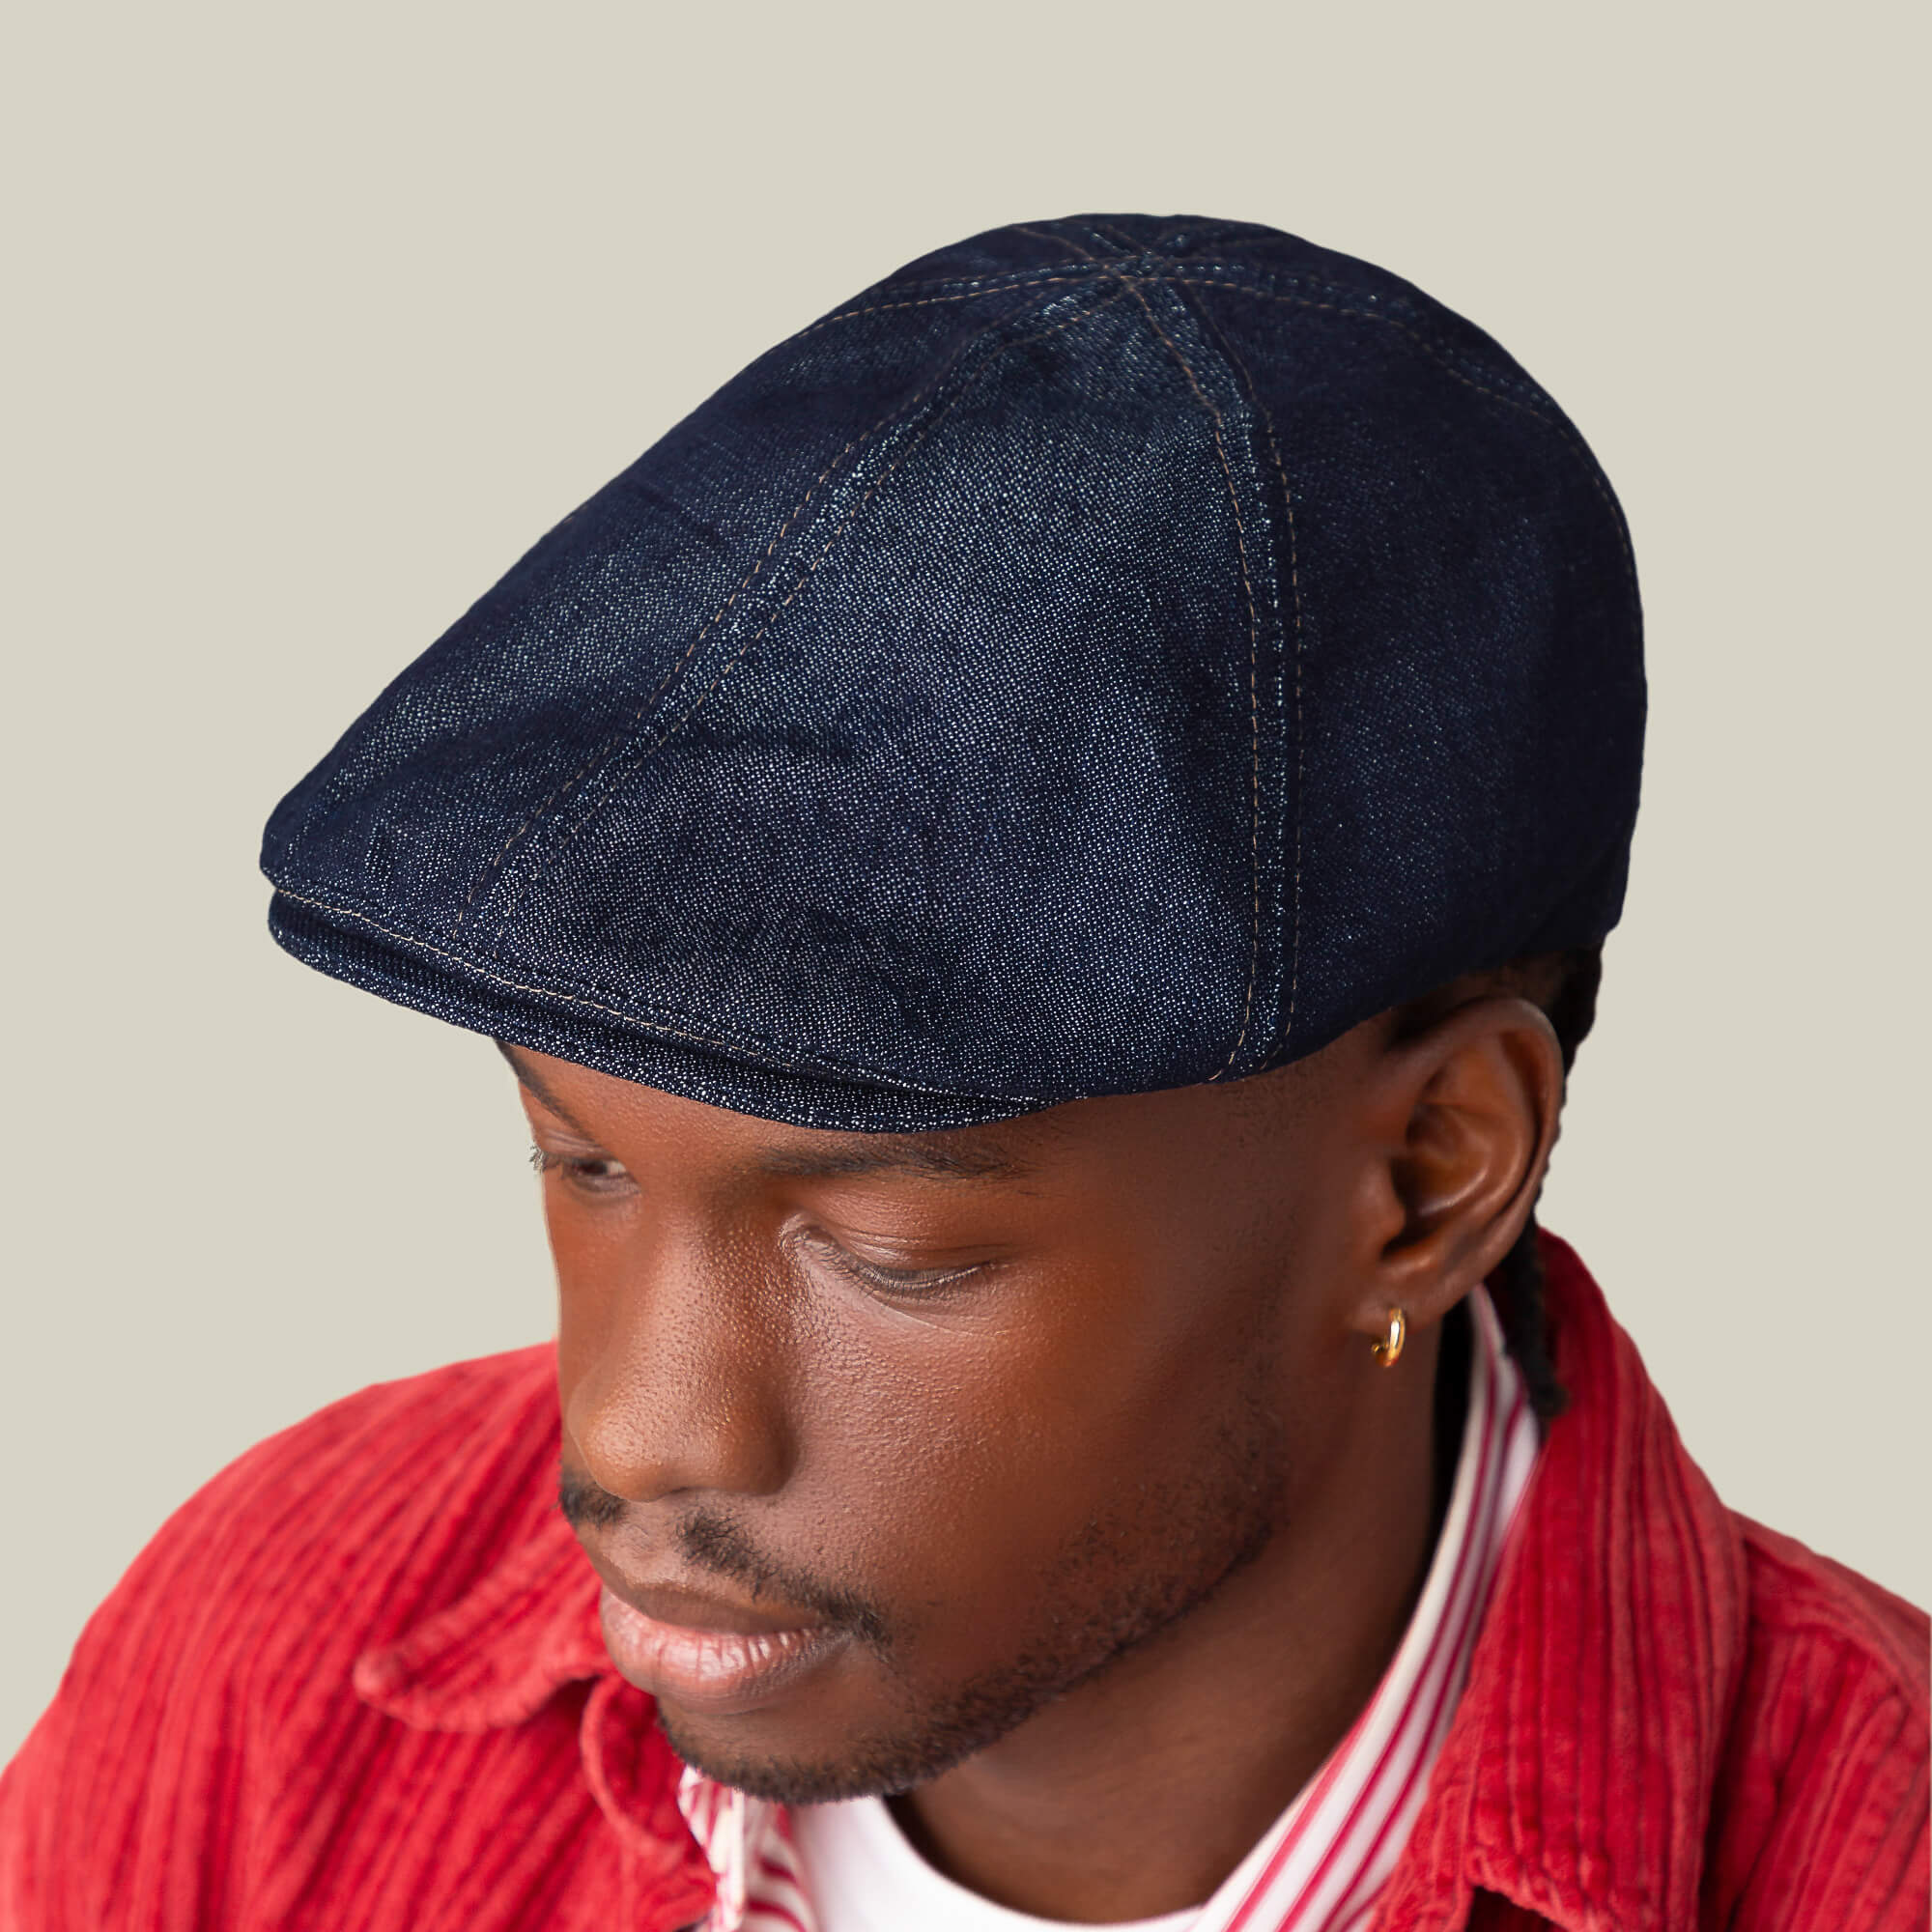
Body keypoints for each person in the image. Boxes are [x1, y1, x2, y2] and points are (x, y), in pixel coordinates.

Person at [2, 213, 1923, 1932]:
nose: (641, 1437)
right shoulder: (285, 1633)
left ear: (1425, 1173)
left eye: (891, 1250)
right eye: (576, 1160)